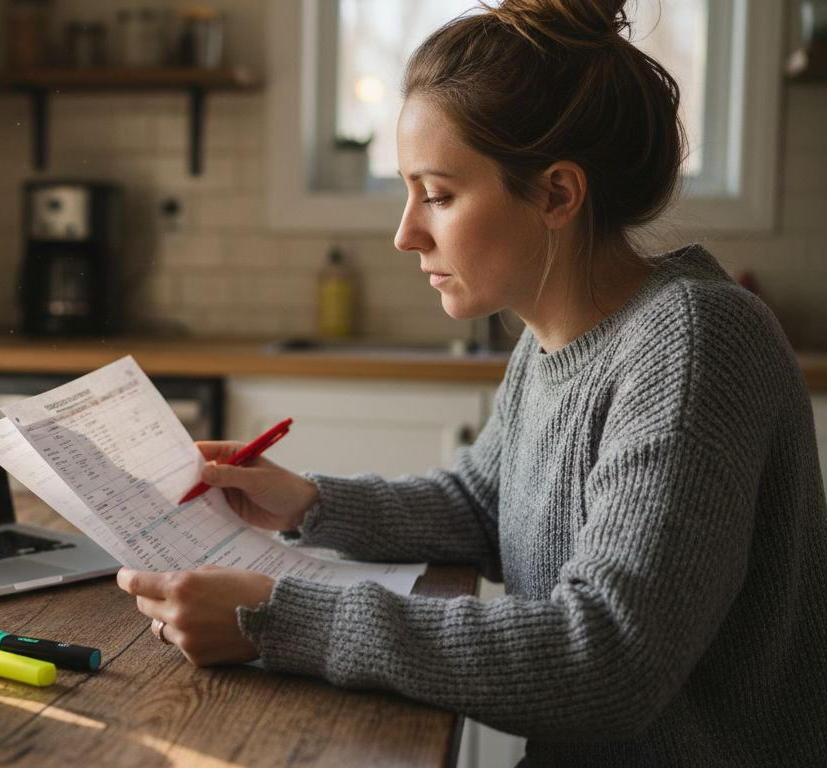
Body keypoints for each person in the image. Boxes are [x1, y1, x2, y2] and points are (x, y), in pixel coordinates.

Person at [116, 0, 827, 764]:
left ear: (557, 193)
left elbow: (610, 659)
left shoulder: (691, 343)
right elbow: (488, 505)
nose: (405, 232)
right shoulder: (557, 338)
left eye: (440, 195)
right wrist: (307, 502)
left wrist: (281, 617)